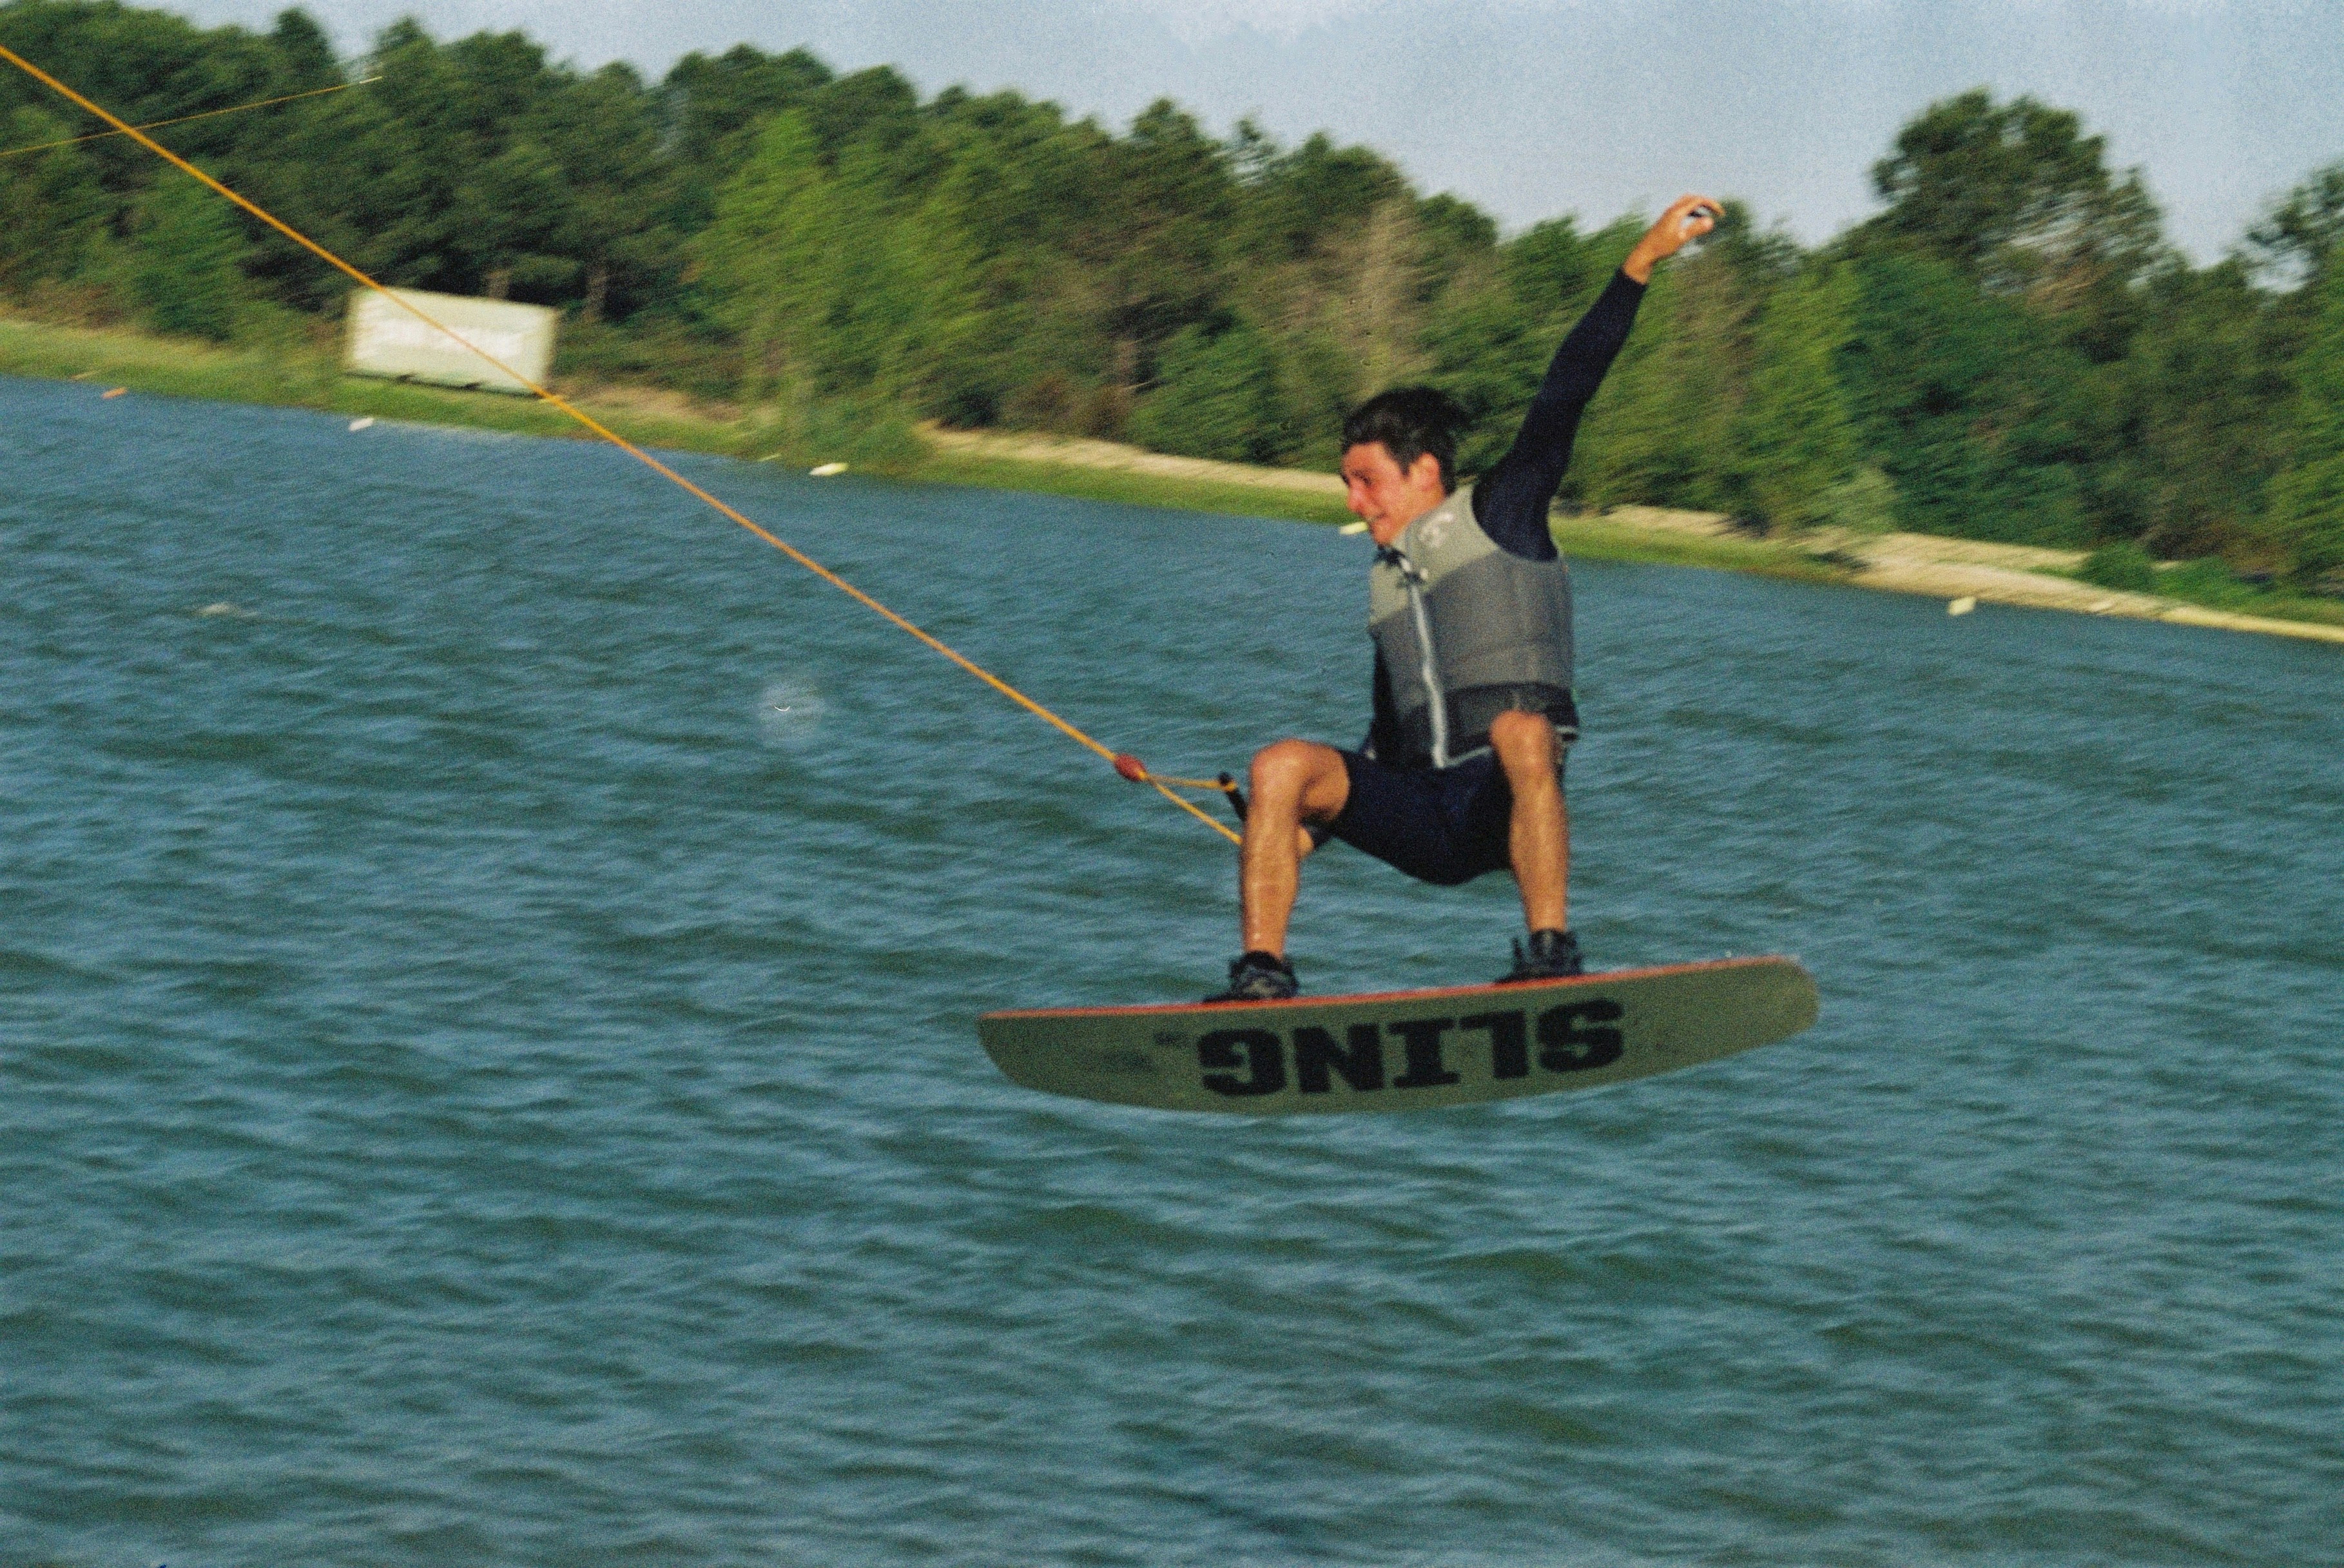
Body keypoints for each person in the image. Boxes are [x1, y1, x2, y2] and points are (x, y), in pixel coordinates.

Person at [1208, 193, 1719, 1003]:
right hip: (1421, 814)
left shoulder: (1501, 512)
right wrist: (1298, 827)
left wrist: (1640, 263)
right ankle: (1261, 975)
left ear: (1424, 473)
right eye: (1346, 484)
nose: (1353, 501)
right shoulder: (1386, 586)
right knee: (1279, 766)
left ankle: (1549, 951)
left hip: (1500, 804)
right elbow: (1382, 746)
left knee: (1523, 729)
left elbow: (1568, 389)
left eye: (1366, 481)